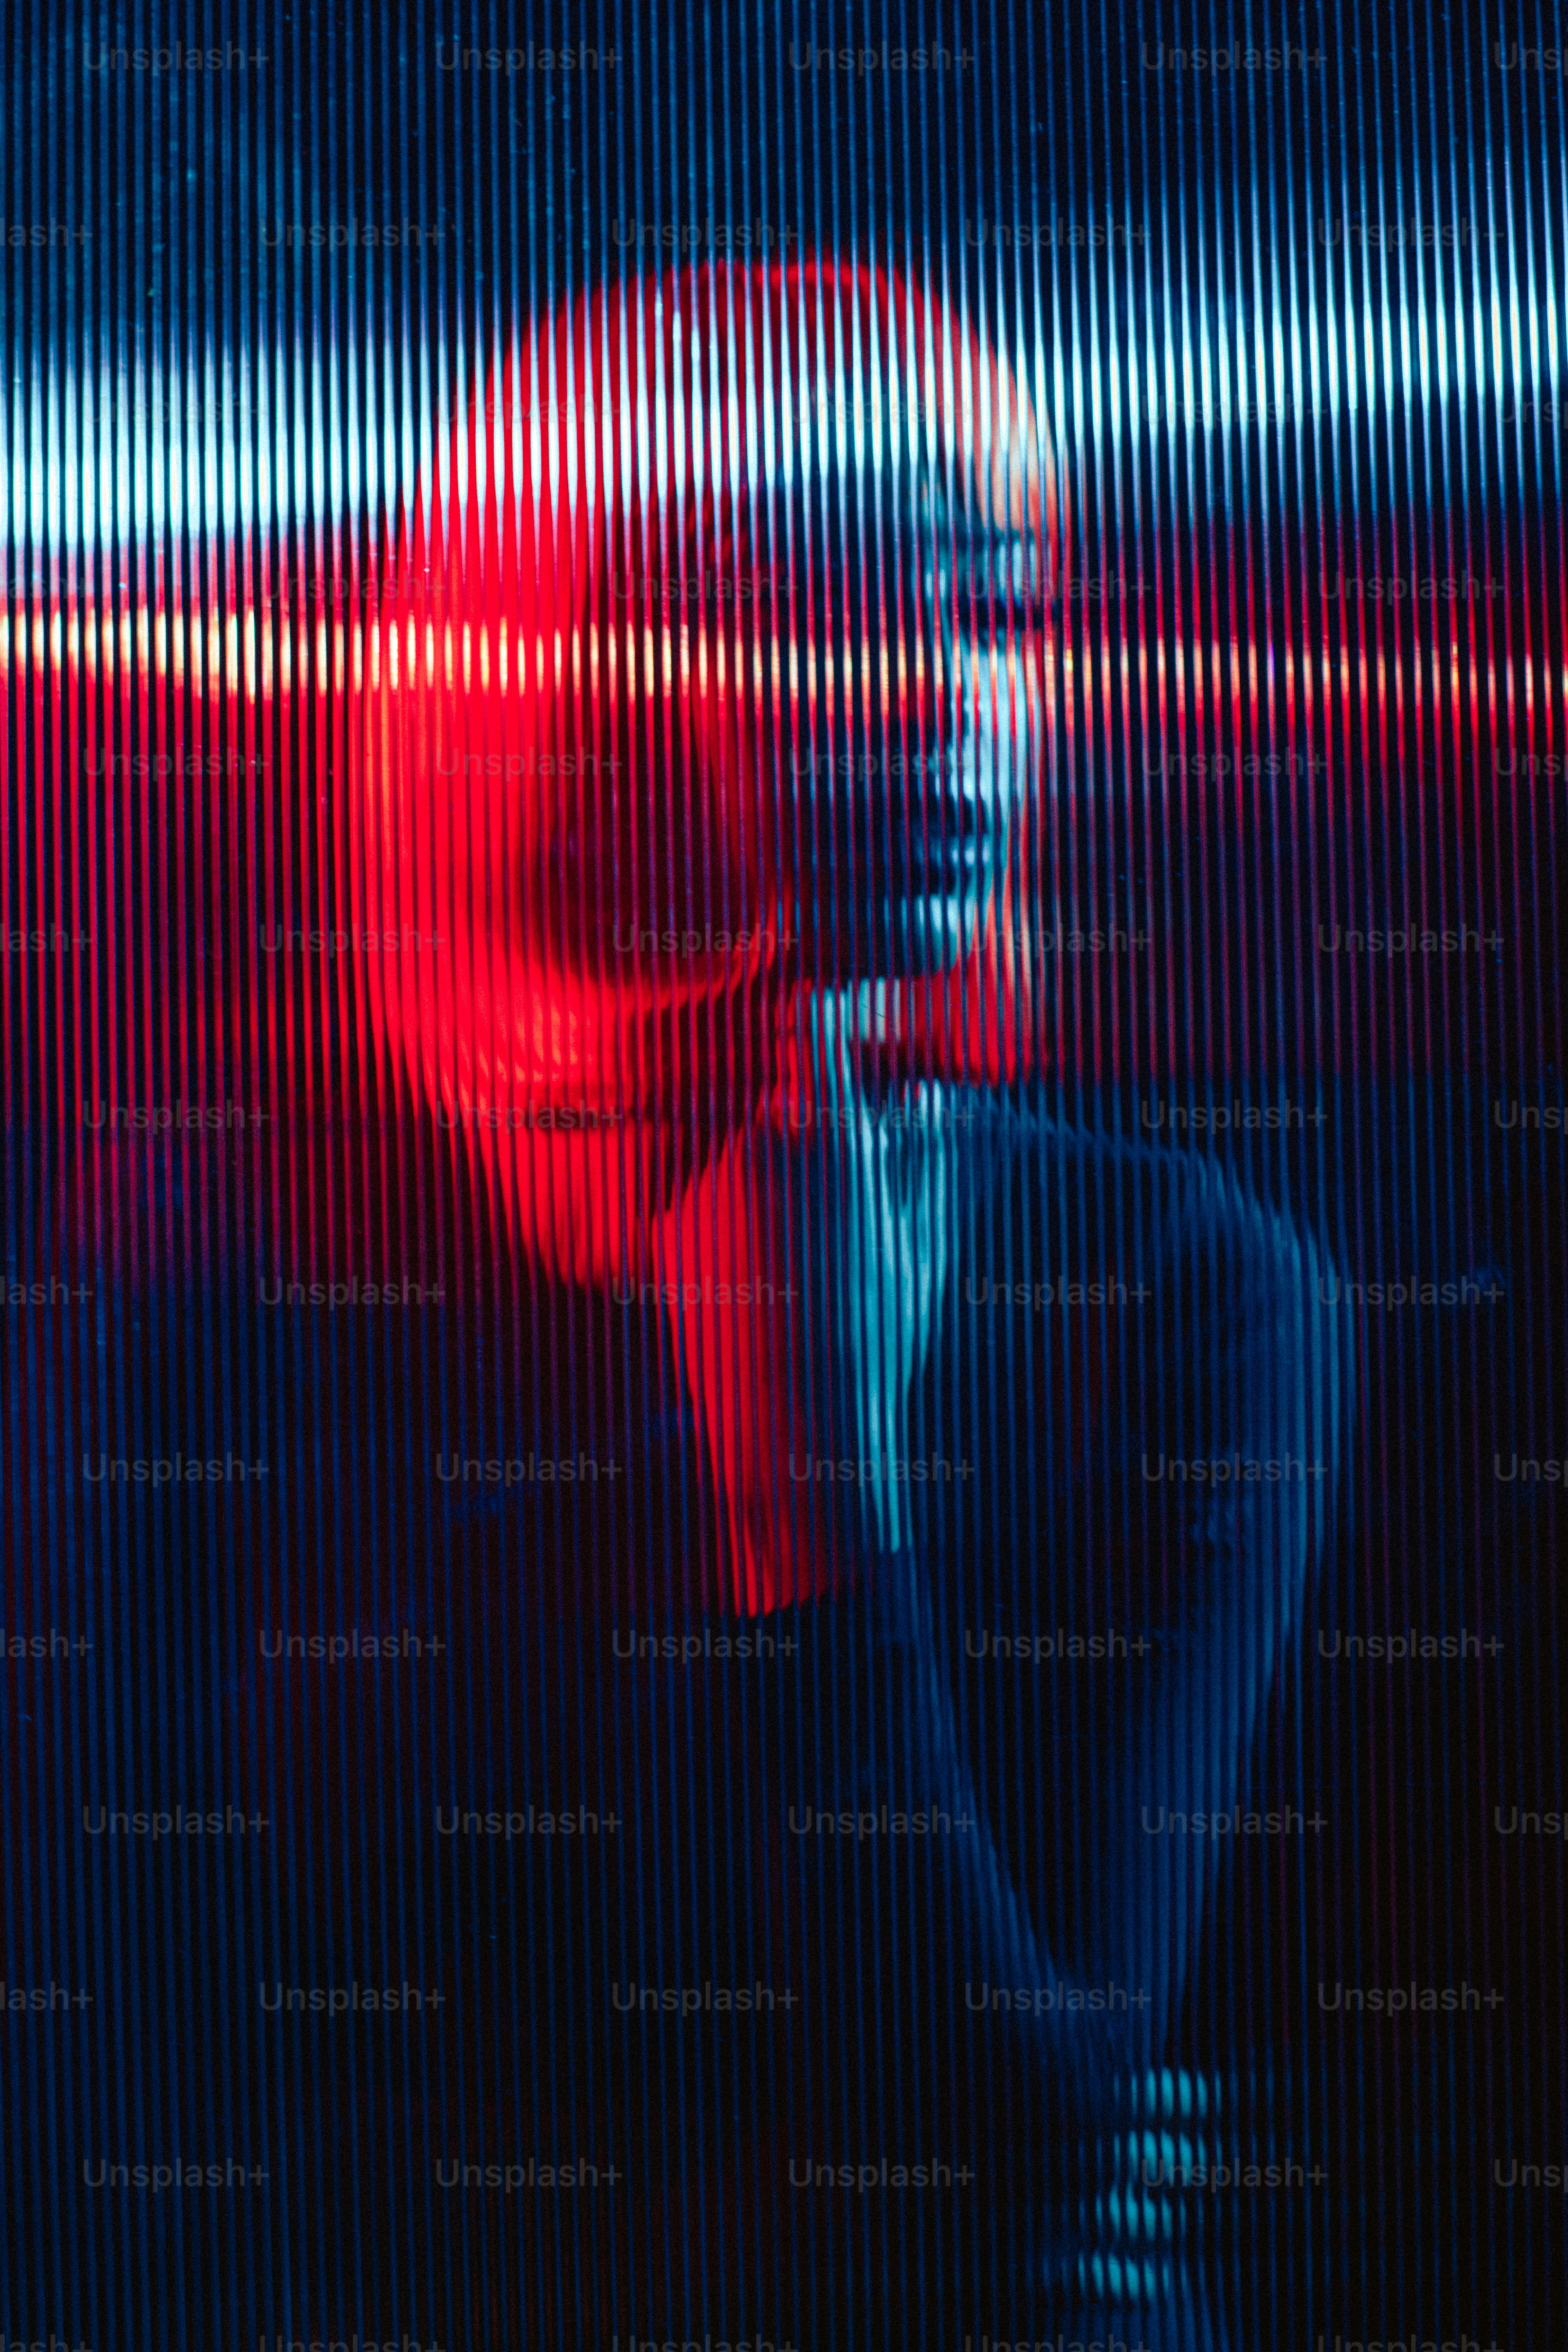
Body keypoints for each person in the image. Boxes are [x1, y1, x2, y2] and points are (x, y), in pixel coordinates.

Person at [358, 255, 1345, 2344]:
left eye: (993, 613)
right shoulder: (350, 1330)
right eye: (815, 616)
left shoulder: (1189, 1293)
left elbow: (1009, 2150)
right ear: (571, 684)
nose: (939, 700)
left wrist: (820, 1507)